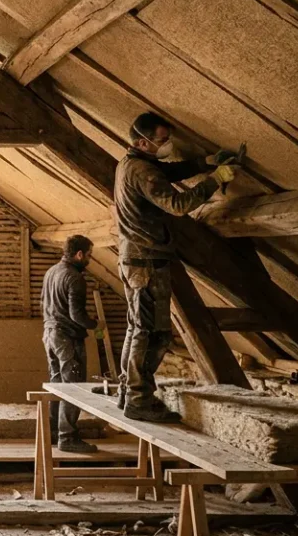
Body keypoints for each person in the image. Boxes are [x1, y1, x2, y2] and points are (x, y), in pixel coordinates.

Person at [114, 112, 241, 422]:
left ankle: (127, 393)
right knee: (153, 334)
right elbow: (178, 205)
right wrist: (216, 180)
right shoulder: (143, 172)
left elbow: (165, 171)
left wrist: (206, 162)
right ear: (142, 142)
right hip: (146, 261)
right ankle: (139, 401)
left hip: (134, 258)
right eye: (162, 140)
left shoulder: (130, 163)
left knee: (136, 330)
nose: (167, 144)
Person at [42, 234, 99, 453]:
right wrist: (94, 324)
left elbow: (45, 305)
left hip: (50, 334)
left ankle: (55, 433)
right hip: (67, 337)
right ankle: (68, 437)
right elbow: (77, 315)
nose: (89, 260)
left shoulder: (51, 272)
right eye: (89, 256)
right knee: (73, 387)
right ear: (79, 254)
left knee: (58, 386)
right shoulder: (74, 278)